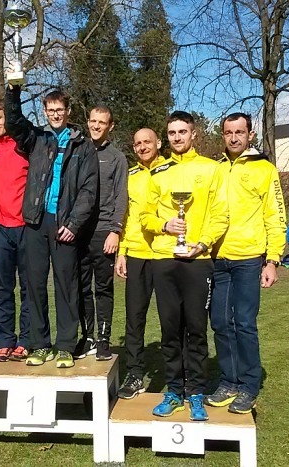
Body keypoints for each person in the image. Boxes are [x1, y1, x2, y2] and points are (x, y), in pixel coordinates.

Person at [140, 111, 228, 421]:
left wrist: (202, 244)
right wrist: (165, 225)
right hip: (164, 259)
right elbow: (145, 217)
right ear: (167, 137)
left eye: (182, 131)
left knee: (196, 329)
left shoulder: (211, 169)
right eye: (172, 133)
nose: (177, 137)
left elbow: (220, 215)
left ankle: (197, 392)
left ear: (193, 134)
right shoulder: (157, 172)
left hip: (198, 261)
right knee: (169, 330)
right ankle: (174, 390)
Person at [5, 84, 99, 369]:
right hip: (36, 220)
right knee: (34, 284)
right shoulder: (37, 138)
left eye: (60, 110)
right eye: (50, 110)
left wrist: (73, 224)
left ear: (68, 111)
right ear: (45, 112)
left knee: (67, 285)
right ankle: (40, 344)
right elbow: (13, 122)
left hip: (65, 223)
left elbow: (89, 190)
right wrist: (13, 91)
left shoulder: (83, 145)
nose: (55, 115)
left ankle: (66, 346)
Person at [205, 112, 287, 415]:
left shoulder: (265, 169)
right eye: (229, 132)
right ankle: (229, 381)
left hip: (249, 259)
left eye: (240, 132)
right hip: (218, 259)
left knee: (244, 323)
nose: (234, 137)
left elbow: (275, 216)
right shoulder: (216, 169)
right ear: (223, 135)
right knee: (220, 323)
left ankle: (250, 385)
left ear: (250, 134)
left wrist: (273, 260)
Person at [115, 128, 164, 399]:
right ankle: (135, 373)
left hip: (166, 254)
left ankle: (178, 375)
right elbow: (125, 216)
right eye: (138, 144)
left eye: (147, 142)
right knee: (134, 318)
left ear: (158, 143)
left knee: (172, 319)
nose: (143, 147)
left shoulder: (170, 170)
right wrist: (122, 252)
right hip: (136, 253)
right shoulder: (130, 176)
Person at [76, 106, 128, 361]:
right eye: (93, 121)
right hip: (78, 232)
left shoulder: (117, 158)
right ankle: (87, 337)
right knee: (81, 287)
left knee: (103, 289)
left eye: (102, 122)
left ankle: (104, 338)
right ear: (88, 122)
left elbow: (121, 196)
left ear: (110, 126)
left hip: (104, 232)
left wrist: (115, 230)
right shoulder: (78, 151)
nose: (96, 126)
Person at [0, 99, 30, 362]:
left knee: (28, 289)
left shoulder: (24, 146)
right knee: (2, 289)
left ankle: (26, 340)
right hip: (0, 228)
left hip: (25, 227)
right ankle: (5, 341)